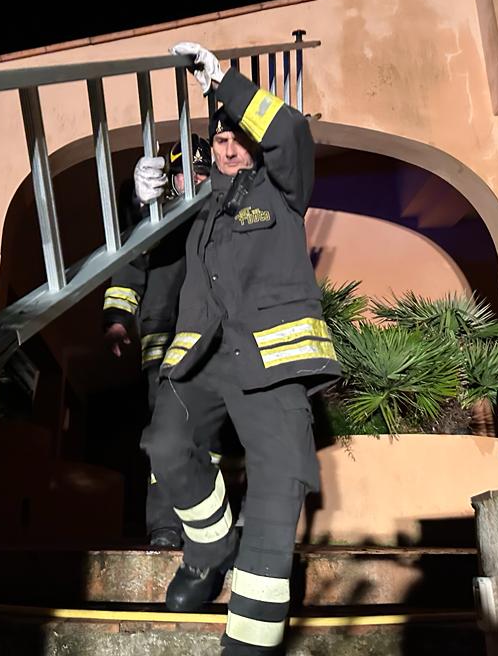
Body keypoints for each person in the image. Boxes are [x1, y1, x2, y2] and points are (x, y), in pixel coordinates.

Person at [138, 42, 340, 654]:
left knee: (279, 484)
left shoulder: (283, 189)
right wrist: (145, 200)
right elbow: (150, 258)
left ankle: (250, 640)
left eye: (239, 139)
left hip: (270, 360)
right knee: (165, 445)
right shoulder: (196, 203)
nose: (229, 148)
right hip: (200, 358)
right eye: (221, 140)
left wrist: (224, 81)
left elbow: (289, 131)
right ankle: (208, 548)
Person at [102, 136, 225, 547]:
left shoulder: (220, 220)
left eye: (202, 173)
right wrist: (118, 318)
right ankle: (166, 528)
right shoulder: (155, 219)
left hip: (211, 339)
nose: (195, 181)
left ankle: (205, 525)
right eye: (185, 174)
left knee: (207, 437)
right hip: (164, 338)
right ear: (170, 179)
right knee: (166, 433)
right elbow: (129, 264)